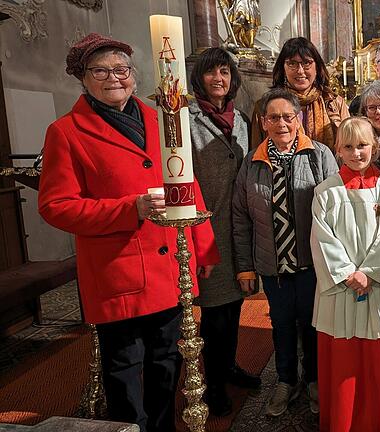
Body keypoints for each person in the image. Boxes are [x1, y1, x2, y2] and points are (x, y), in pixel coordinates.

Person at [38, 33, 220, 432]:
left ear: (134, 75)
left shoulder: (163, 120)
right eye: (100, 71)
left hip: (170, 265)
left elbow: (187, 183)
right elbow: (55, 206)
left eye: (121, 69)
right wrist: (129, 209)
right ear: (82, 78)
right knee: (125, 370)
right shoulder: (66, 132)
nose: (113, 78)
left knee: (168, 362)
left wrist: (202, 248)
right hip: (116, 272)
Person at [232, 88, 338, 416]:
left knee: (312, 325)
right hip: (272, 264)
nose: (281, 123)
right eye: (274, 117)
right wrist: (245, 267)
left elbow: (337, 210)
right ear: (263, 122)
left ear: (299, 119)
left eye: (288, 117)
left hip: (312, 264)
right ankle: (285, 381)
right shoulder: (251, 162)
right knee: (281, 325)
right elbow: (240, 217)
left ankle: (314, 381)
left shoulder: (319, 155)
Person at [311, 117, 380, 432]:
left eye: (363, 145)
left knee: (378, 364)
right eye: (350, 146)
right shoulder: (325, 192)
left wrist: (368, 273)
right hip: (342, 290)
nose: (357, 153)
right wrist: (347, 274)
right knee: (345, 365)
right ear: (339, 149)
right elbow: (321, 238)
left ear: (376, 146)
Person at [188, 46, 261, 417]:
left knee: (234, 306)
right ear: (199, 77)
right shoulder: (185, 121)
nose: (220, 79)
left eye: (226, 73)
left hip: (239, 228)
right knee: (214, 312)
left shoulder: (243, 120)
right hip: (207, 227)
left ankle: (229, 366)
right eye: (212, 72)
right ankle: (212, 382)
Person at [252, 37, 349, 149]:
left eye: (306, 63)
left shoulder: (334, 103)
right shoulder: (265, 107)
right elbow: (257, 153)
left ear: (316, 66)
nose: (300, 71)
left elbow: (349, 145)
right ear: (283, 68)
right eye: (292, 64)